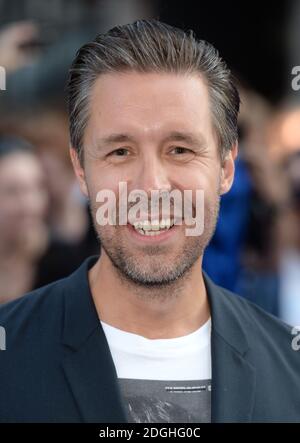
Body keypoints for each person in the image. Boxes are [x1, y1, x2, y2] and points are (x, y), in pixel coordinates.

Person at [0, 20, 299, 423]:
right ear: (81, 170)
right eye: (120, 152)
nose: (151, 186)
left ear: (226, 167)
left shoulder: (289, 371)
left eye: (179, 149)